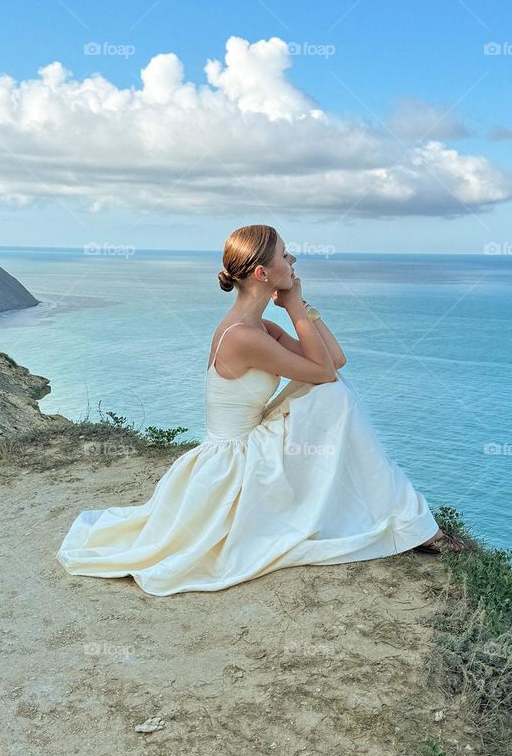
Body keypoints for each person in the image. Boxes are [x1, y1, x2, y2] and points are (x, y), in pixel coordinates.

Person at [55, 224, 464, 596]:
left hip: (250, 444)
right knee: (333, 396)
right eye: (285, 255)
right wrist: (296, 307)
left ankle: (403, 517)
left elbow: (334, 361)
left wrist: (299, 308)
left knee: (334, 393)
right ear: (261, 274)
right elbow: (324, 372)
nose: (294, 260)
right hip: (235, 460)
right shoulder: (242, 337)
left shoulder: (259, 328)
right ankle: (408, 520)